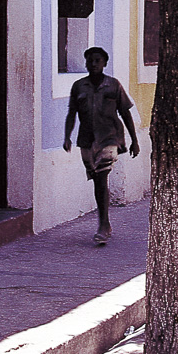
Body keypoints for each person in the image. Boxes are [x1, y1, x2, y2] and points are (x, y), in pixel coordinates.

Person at [64, 46, 140, 245]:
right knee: (96, 178)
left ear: (104, 63)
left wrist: (135, 140)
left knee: (101, 178)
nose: (94, 64)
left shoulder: (114, 85)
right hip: (87, 139)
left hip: (109, 137)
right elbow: (72, 113)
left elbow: (125, 112)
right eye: (90, 60)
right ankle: (104, 223)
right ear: (86, 63)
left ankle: (103, 225)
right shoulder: (79, 86)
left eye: (98, 60)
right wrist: (67, 136)